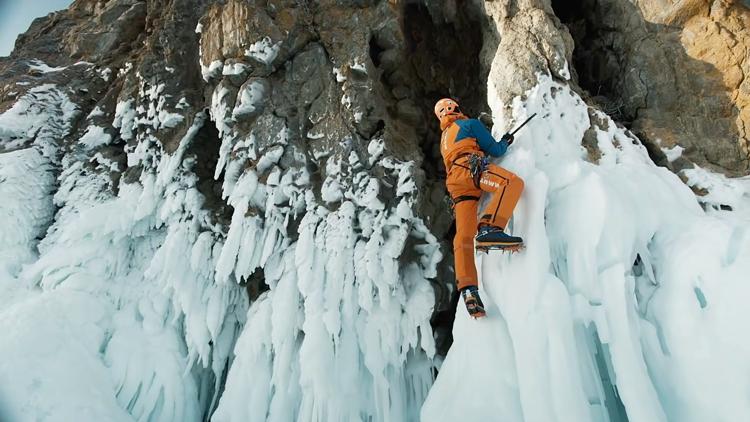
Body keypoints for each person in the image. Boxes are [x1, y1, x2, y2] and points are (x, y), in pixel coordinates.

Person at [434, 98, 525, 318]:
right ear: (455, 108)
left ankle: (468, 289)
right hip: (471, 170)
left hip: (456, 184)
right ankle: (490, 228)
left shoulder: (444, 138)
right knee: (511, 183)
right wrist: (506, 141)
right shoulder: (468, 124)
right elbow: (494, 149)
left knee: (463, 236)